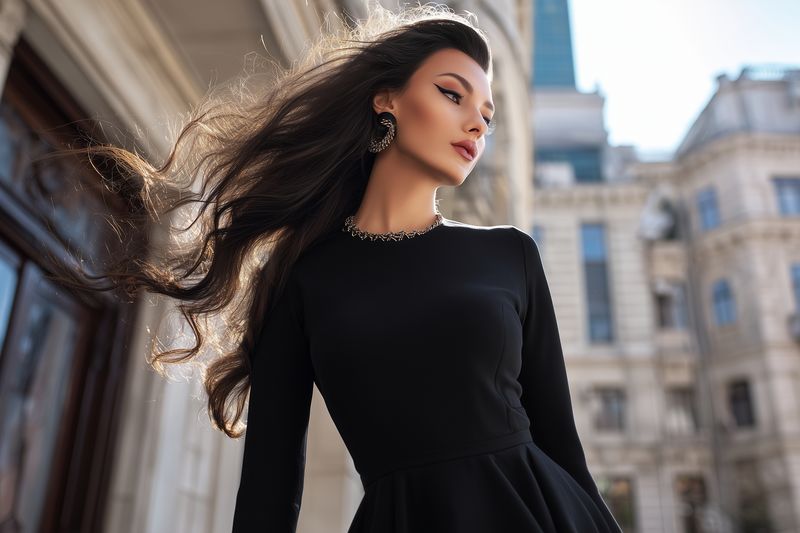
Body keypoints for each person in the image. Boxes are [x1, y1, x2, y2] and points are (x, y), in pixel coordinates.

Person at [49, 2, 623, 532]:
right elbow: (269, 488)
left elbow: (560, 443)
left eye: (487, 115)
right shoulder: (303, 277)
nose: (476, 123)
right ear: (386, 98)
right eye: (454, 94)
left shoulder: (510, 253)